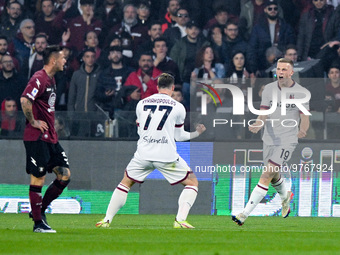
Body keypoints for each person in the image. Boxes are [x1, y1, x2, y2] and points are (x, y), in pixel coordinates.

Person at [96, 73, 206, 228]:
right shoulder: (178, 107)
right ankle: (180, 220)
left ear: (157, 86)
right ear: (173, 88)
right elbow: (180, 137)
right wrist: (197, 133)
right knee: (192, 182)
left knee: (125, 182)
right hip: (166, 155)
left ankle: (106, 220)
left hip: (144, 154)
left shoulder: (141, 103)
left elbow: (141, 131)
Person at [232, 58, 310, 225]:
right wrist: (258, 124)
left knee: (266, 174)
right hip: (269, 138)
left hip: (288, 140)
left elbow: (305, 117)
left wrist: (302, 130)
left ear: (291, 72)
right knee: (274, 177)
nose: (280, 72)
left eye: (284, 70)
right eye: (278, 69)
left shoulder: (301, 92)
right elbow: (263, 114)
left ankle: (243, 214)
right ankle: (286, 196)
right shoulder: (268, 89)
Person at [20, 45, 71, 233]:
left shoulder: (51, 79)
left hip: (51, 138)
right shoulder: (39, 78)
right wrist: (32, 121)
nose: (65, 61)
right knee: (38, 177)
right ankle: (38, 224)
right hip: (37, 138)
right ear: (53, 60)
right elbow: (25, 99)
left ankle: (39, 210)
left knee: (64, 174)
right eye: (63, 58)